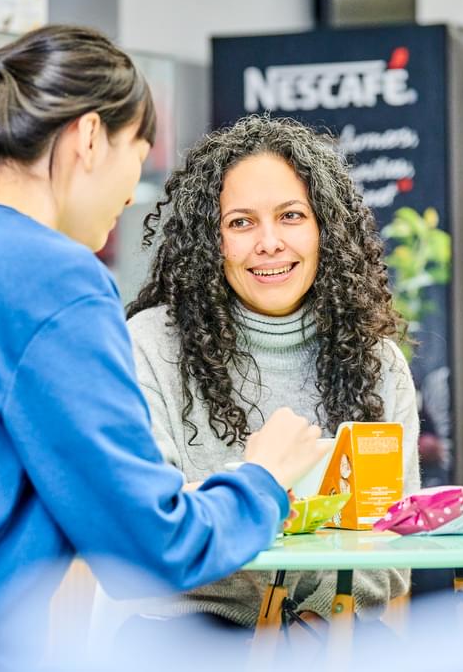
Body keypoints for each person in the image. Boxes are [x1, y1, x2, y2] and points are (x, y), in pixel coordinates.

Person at [0, 26, 330, 669]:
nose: (135, 192)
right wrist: (265, 477)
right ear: (87, 138)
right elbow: (150, 551)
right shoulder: (52, 278)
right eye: (138, 153)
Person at [124, 114, 420, 641]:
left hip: (333, 633)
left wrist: (299, 622)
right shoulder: (150, 344)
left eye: (291, 216)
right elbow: (151, 532)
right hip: (189, 638)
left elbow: (394, 556)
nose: (269, 243)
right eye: (240, 223)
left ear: (325, 229)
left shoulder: (379, 362)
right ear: (208, 240)